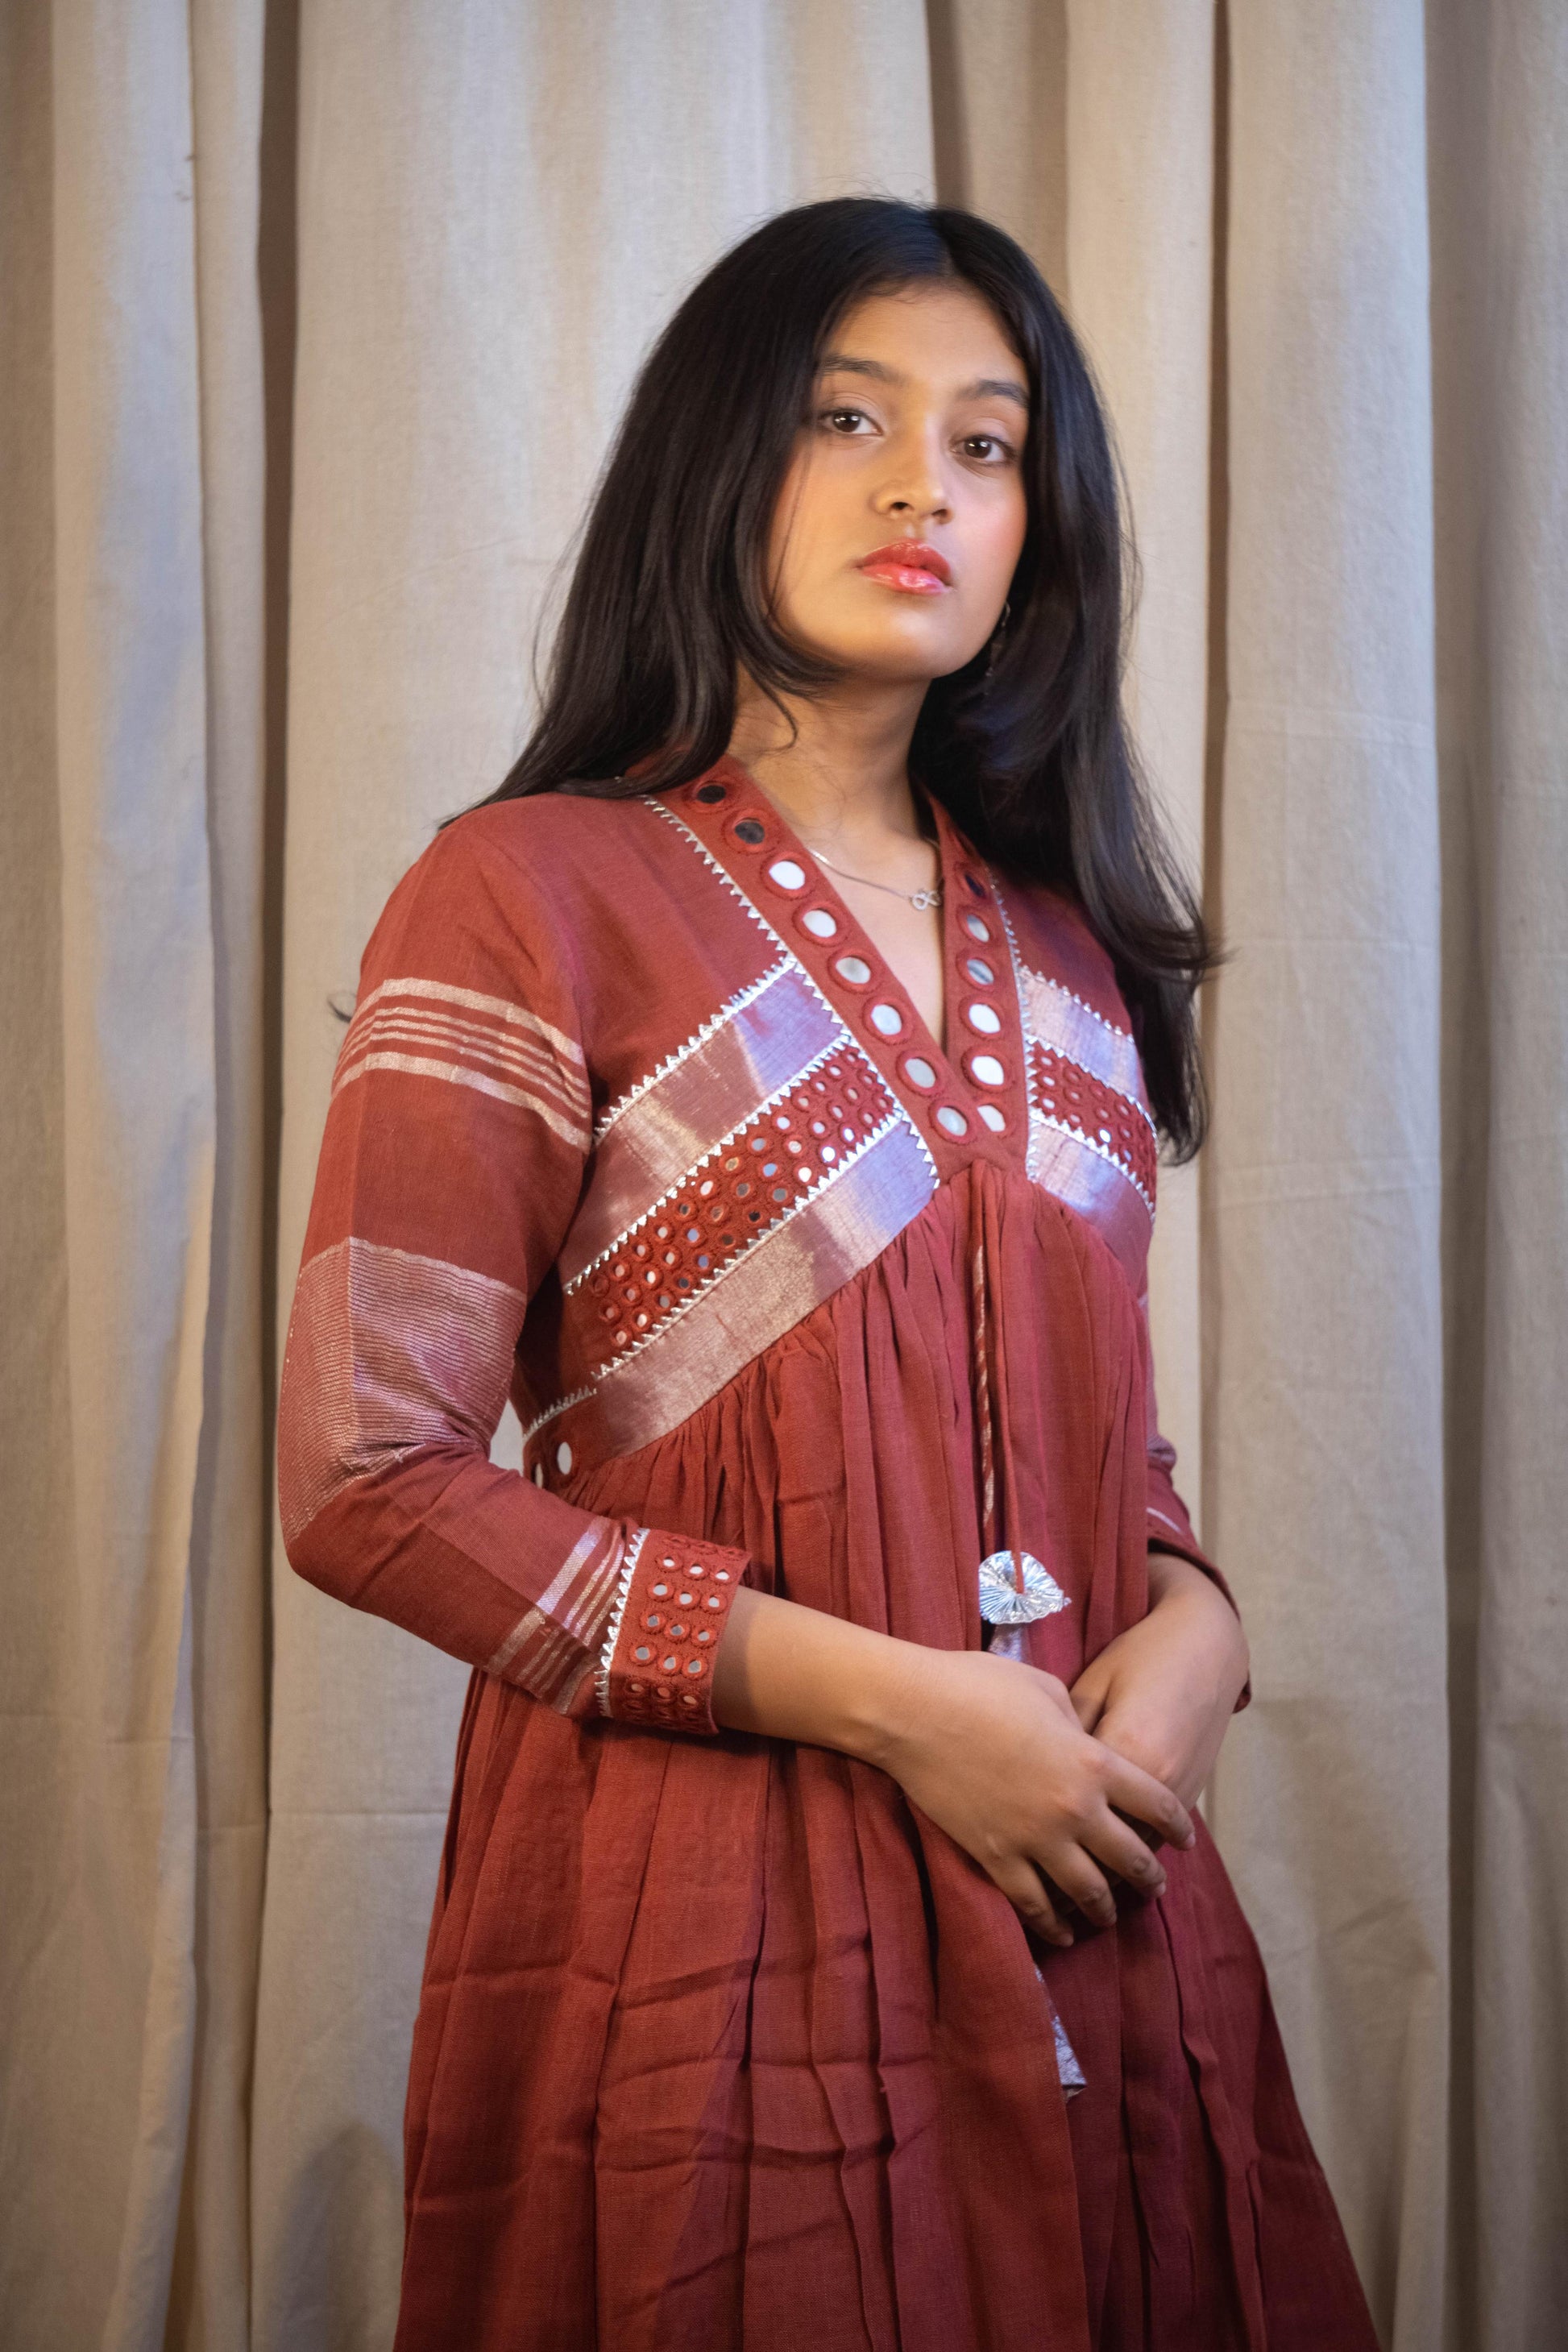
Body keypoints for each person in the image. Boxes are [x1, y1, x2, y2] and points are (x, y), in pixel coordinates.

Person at [277, 197, 1377, 2351]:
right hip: (711, 1927)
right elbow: (365, 1478)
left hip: (1092, 1899)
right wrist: (895, 1707)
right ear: (718, 455)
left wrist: (1202, 1624)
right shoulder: (523, 894)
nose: (920, 489)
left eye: (986, 444)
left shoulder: (1066, 944)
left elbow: (1095, 1444)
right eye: (845, 419)